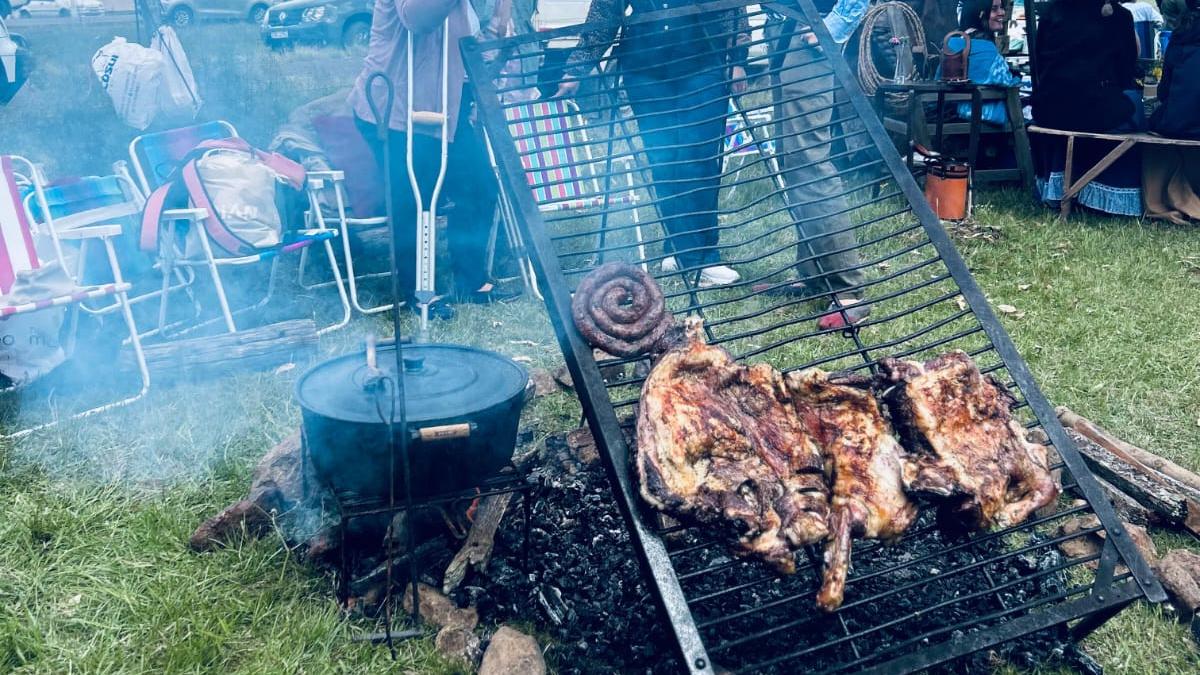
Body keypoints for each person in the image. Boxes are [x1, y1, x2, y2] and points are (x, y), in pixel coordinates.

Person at [555, 1, 750, 287]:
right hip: (645, 70)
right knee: (664, 160)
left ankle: (704, 255)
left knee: (699, 156)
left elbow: (731, 9)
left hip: (702, 61)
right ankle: (681, 247)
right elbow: (605, 13)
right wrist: (576, 70)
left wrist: (737, 60)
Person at [348, 0, 513, 321]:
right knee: (412, 199)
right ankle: (419, 291)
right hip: (396, 108)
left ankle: (470, 280)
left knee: (479, 188)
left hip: (446, 110)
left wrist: (502, 12)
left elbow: (482, 50)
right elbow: (416, 18)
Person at [764, 0, 875, 329]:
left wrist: (835, 26)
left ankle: (849, 291)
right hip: (784, 29)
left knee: (810, 160)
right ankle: (814, 273)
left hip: (808, 32)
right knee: (792, 159)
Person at [1031, 0, 1145, 216]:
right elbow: (1126, 70)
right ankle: (1107, 190)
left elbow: (1040, 63)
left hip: (1049, 108)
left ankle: (1061, 182)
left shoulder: (1052, 12)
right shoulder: (1119, 16)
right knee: (1135, 111)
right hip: (1092, 109)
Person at [940, 0, 1023, 126]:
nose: (1002, 13)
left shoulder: (951, 43)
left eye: (1001, 8)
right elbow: (1006, 81)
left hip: (951, 116)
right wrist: (1017, 78)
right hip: (982, 119)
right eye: (994, 9)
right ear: (981, 13)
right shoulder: (988, 48)